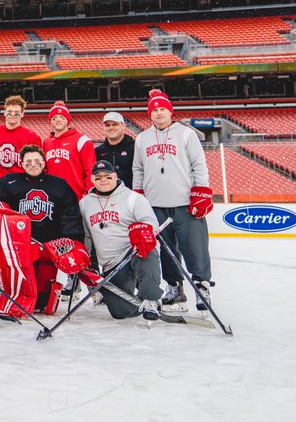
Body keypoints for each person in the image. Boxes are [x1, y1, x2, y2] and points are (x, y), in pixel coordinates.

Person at [132, 88, 213, 311]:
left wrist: (202, 190)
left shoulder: (186, 134)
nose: (158, 113)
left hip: (185, 203)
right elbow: (138, 169)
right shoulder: (142, 138)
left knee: (194, 246)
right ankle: (175, 287)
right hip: (155, 204)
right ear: (150, 114)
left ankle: (201, 285)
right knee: (167, 250)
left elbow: (199, 165)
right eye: (154, 110)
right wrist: (137, 193)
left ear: (170, 111)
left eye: (162, 109)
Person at [0, 145, 86, 315]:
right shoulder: (9, 182)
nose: (33, 164)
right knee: (21, 291)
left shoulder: (59, 185)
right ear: (22, 163)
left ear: (44, 162)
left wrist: (73, 240)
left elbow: (70, 214)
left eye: (37, 161)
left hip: (49, 245)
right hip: (19, 246)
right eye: (29, 161)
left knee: (43, 302)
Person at [79, 161, 164, 321]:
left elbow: (150, 221)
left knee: (146, 250)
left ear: (115, 176)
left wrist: (143, 230)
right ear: (92, 179)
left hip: (133, 252)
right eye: (98, 177)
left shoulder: (133, 198)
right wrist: (88, 264)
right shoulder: (84, 204)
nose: (103, 180)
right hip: (112, 265)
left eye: (107, 176)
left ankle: (151, 299)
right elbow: (87, 237)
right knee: (120, 312)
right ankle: (138, 304)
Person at [0, 95, 42, 182]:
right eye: (10, 111)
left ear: (22, 114)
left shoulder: (31, 136)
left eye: (16, 112)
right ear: (4, 112)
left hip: (22, 185)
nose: (13, 114)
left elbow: (37, 165)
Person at [43, 100, 96, 199]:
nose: (58, 120)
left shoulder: (82, 140)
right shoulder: (46, 143)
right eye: (54, 118)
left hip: (76, 195)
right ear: (50, 121)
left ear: (67, 120)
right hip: (52, 196)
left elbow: (90, 168)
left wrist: (89, 192)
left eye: (62, 117)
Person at [95, 112, 136, 187]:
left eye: (115, 124)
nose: (111, 128)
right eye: (107, 125)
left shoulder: (135, 148)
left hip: (130, 195)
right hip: (106, 196)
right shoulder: (97, 151)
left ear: (123, 126)